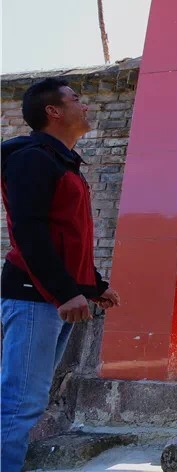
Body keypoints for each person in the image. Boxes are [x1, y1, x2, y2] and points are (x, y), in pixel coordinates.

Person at [1, 78, 121, 471]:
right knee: (19, 402)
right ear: (53, 111)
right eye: (76, 99)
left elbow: (68, 236)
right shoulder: (32, 158)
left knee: (27, 400)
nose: (85, 106)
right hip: (33, 295)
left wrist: (92, 285)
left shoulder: (61, 160)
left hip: (51, 296)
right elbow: (28, 231)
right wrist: (64, 291)